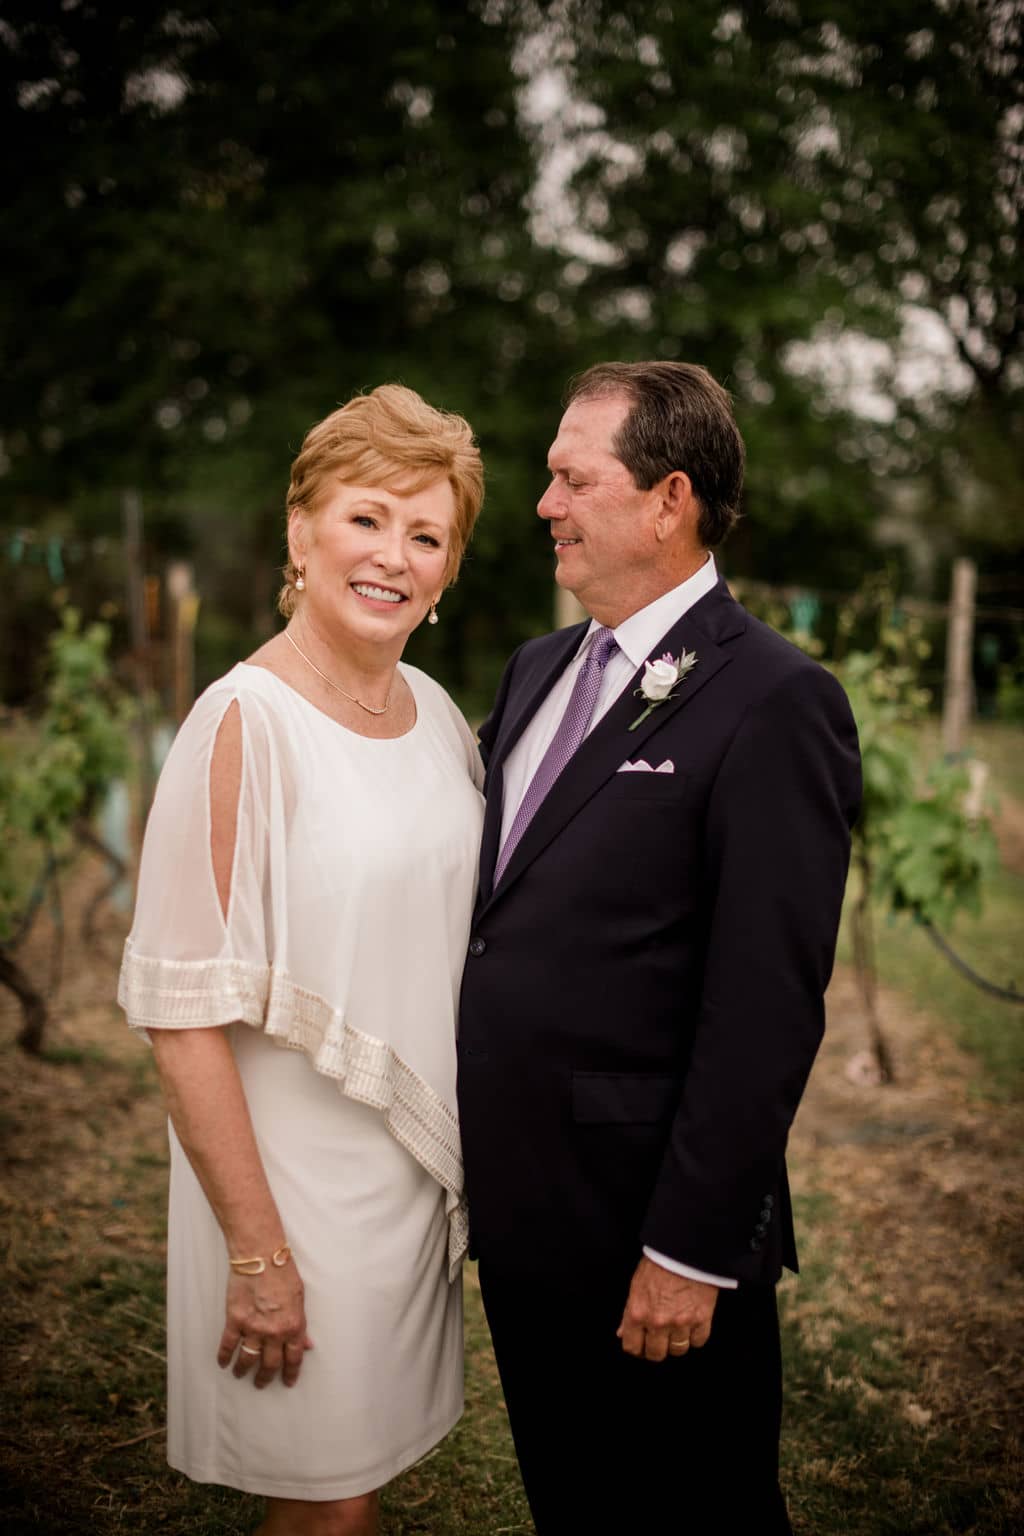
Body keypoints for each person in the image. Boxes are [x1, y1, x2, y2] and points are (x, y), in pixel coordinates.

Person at [457, 361, 862, 1532]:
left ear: (667, 499)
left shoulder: (774, 700)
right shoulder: (535, 670)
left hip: (650, 1232)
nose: (545, 505)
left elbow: (766, 1006)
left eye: (572, 479)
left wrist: (691, 1248)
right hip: (526, 1214)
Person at [118, 384, 485, 1536]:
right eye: (367, 519)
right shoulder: (240, 724)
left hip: (400, 1178)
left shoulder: (434, 713)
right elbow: (180, 1018)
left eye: (426, 535)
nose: (393, 557)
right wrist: (260, 1253)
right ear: (299, 531)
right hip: (289, 1192)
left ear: (450, 570)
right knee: (322, 1505)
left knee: (358, 1483)